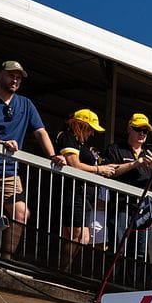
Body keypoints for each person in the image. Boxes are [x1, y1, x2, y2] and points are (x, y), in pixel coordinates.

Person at [0, 60, 66, 257]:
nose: (15, 79)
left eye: (18, 77)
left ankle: (5, 259)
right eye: (11, 75)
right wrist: (2, 144)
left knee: (21, 213)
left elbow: (40, 132)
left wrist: (53, 155)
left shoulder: (25, 104)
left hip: (10, 170)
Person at [54, 108, 118, 266]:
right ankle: (61, 272)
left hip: (83, 195)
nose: (92, 134)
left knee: (80, 236)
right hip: (73, 192)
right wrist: (99, 169)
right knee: (79, 234)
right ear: (80, 126)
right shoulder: (68, 137)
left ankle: (62, 271)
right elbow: (74, 165)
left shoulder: (81, 144)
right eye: (90, 129)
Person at [104, 113, 152, 261]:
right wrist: (135, 163)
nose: (142, 134)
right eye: (139, 129)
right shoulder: (116, 148)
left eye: (146, 131)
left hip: (144, 210)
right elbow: (109, 171)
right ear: (129, 129)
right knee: (119, 248)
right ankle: (113, 281)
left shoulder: (150, 154)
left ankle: (132, 282)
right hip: (122, 206)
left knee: (140, 253)